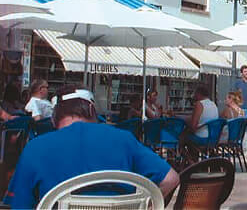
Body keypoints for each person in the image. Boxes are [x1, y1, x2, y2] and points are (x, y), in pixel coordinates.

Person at [4, 85, 179, 209]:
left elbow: (20, 205)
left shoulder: (36, 148)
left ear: (53, 118)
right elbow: (171, 179)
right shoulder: (123, 140)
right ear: (91, 109)